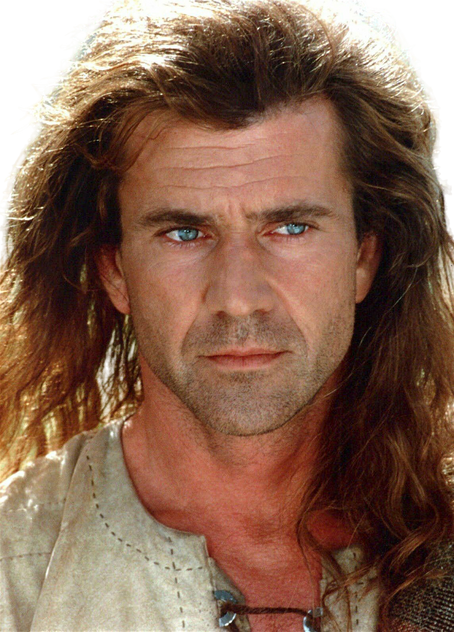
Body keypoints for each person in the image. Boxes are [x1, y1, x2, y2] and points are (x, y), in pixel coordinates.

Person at [1, 0, 453, 630]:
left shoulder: (439, 539)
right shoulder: (17, 573)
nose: (239, 297)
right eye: (185, 233)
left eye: (290, 228)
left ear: (363, 257)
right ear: (115, 271)